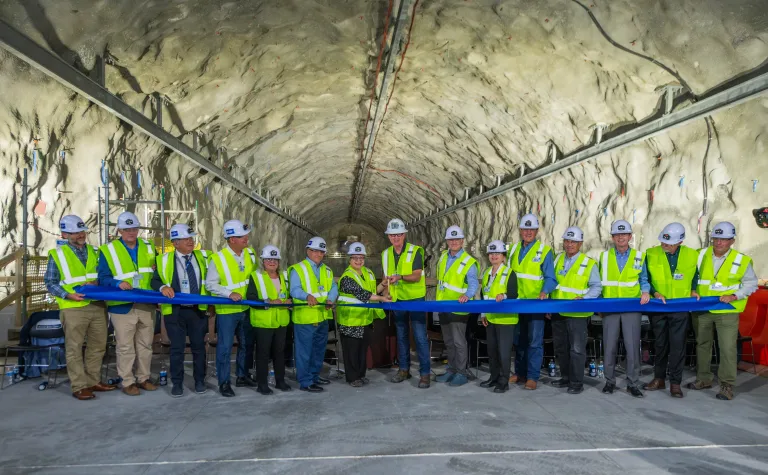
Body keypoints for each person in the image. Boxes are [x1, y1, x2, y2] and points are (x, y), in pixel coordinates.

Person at [44, 215, 116, 400]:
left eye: (82, 231)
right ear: (64, 234)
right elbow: (50, 283)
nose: (80, 235)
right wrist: (68, 295)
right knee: (74, 348)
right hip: (73, 306)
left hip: (97, 305)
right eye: (75, 233)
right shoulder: (57, 255)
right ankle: (79, 386)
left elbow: (104, 275)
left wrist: (97, 282)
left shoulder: (95, 251)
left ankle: (93, 381)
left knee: (98, 346)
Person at [690, 221, 758, 400]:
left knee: (727, 348)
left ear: (732, 241)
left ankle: (726, 386)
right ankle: (703, 379)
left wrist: (735, 295)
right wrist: (692, 288)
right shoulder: (701, 255)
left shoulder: (741, 260)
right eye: (716, 238)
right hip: (703, 308)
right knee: (702, 344)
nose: (719, 242)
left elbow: (751, 284)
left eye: (724, 239)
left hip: (727, 310)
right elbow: (691, 276)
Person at [98, 211, 158, 396]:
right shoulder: (108, 250)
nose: (131, 232)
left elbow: (158, 272)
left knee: (145, 344)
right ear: (120, 231)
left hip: (146, 304)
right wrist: (117, 283)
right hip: (122, 305)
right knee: (125, 346)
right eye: (127, 229)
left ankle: (144, 378)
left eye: (134, 229)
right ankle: (127, 381)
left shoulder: (149, 247)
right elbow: (103, 277)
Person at [150, 223, 209, 397]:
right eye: (185, 239)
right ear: (175, 243)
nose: (190, 241)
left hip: (198, 311)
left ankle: (199, 381)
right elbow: (154, 281)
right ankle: (177, 383)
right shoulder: (163, 260)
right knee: (177, 348)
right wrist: (162, 287)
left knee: (199, 347)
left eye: (191, 238)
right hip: (175, 312)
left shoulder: (204, 257)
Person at [643, 222, 699, 398]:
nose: (664, 245)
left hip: (680, 308)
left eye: (668, 243)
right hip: (658, 307)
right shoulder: (651, 254)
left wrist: (694, 289)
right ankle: (659, 379)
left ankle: (675, 383)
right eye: (663, 242)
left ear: (680, 242)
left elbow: (695, 276)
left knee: (677, 346)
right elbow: (645, 278)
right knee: (660, 345)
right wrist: (655, 292)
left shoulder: (691, 255)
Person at [204, 219, 258, 397]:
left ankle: (242, 375)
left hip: (246, 309)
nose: (246, 238)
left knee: (246, 345)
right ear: (231, 239)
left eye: (246, 235)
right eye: (242, 236)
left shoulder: (250, 254)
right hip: (227, 311)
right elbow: (210, 284)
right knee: (225, 348)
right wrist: (229, 294)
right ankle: (224, 382)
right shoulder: (218, 259)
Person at [599, 219, 650, 398]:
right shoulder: (604, 257)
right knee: (609, 346)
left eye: (624, 234)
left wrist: (645, 291)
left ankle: (633, 383)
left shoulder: (639, 256)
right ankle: (609, 381)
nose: (621, 237)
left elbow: (644, 278)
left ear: (630, 236)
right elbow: (598, 282)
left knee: (632, 347)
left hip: (631, 307)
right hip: (610, 307)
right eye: (617, 234)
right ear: (612, 237)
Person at [506, 214, 557, 390]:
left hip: (535, 304)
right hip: (516, 304)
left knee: (534, 341)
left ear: (536, 231)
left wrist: (544, 292)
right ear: (520, 230)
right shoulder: (512, 250)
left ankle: (532, 376)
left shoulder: (544, 251)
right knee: (518, 340)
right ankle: (520, 373)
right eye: (525, 229)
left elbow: (551, 277)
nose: (528, 232)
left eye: (531, 229)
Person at [549, 226, 602, 395]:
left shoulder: (588, 263)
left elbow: (596, 287)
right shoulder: (557, 260)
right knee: (560, 348)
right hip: (558, 311)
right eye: (567, 241)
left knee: (577, 349)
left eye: (574, 242)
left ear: (580, 244)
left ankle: (577, 382)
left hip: (578, 314)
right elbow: (551, 283)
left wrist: (584, 298)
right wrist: (548, 304)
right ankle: (565, 378)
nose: (570, 244)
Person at [381, 218, 431, 389]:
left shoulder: (416, 251)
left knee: (419, 337)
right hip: (397, 301)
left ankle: (425, 374)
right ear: (389, 237)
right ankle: (404, 370)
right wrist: (385, 293)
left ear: (404, 235)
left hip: (415, 299)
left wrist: (400, 277)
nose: (395, 238)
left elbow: (417, 275)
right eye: (392, 235)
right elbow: (386, 278)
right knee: (401, 336)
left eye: (399, 235)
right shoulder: (385, 254)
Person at [337, 242, 390, 387]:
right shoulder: (347, 277)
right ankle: (352, 377)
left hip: (365, 319)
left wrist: (383, 285)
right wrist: (382, 298)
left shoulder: (369, 273)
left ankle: (360, 374)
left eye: (361, 258)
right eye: (355, 258)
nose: (358, 261)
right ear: (349, 259)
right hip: (350, 320)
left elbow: (373, 291)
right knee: (351, 351)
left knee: (361, 350)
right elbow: (363, 294)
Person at [289, 236, 338, 392]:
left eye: (321, 251)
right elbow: (294, 289)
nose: (318, 254)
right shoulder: (298, 269)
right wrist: (307, 296)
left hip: (322, 316)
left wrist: (330, 299)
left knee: (318, 350)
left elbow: (333, 288)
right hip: (305, 317)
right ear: (308, 251)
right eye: (315, 251)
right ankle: (305, 381)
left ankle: (314, 376)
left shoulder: (327, 270)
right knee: (304, 351)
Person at [435, 225, 479, 387]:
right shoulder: (443, 257)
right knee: (448, 341)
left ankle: (461, 372)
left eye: (457, 239)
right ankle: (451, 370)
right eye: (451, 239)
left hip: (459, 308)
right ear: (447, 241)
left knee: (459, 341)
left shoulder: (468, 261)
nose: (454, 242)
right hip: (443, 306)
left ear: (462, 241)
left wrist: (467, 295)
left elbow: (473, 283)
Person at [245, 245, 293, 395]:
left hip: (281, 320)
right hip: (263, 322)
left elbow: (289, 294)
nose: (272, 262)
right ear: (263, 261)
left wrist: (290, 301)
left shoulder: (284, 276)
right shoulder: (256, 276)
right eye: (268, 259)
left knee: (280, 352)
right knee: (263, 354)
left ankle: (280, 381)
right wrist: (268, 302)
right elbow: (251, 298)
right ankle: (262, 384)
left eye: (275, 259)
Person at [478, 240, 518, 393]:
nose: (494, 256)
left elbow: (514, 294)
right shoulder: (487, 272)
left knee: (503, 352)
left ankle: (503, 381)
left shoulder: (509, 273)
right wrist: (483, 314)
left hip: (505, 320)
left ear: (503, 256)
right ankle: (493, 378)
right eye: (491, 253)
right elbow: (484, 295)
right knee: (492, 351)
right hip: (491, 318)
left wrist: (504, 295)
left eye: (497, 253)